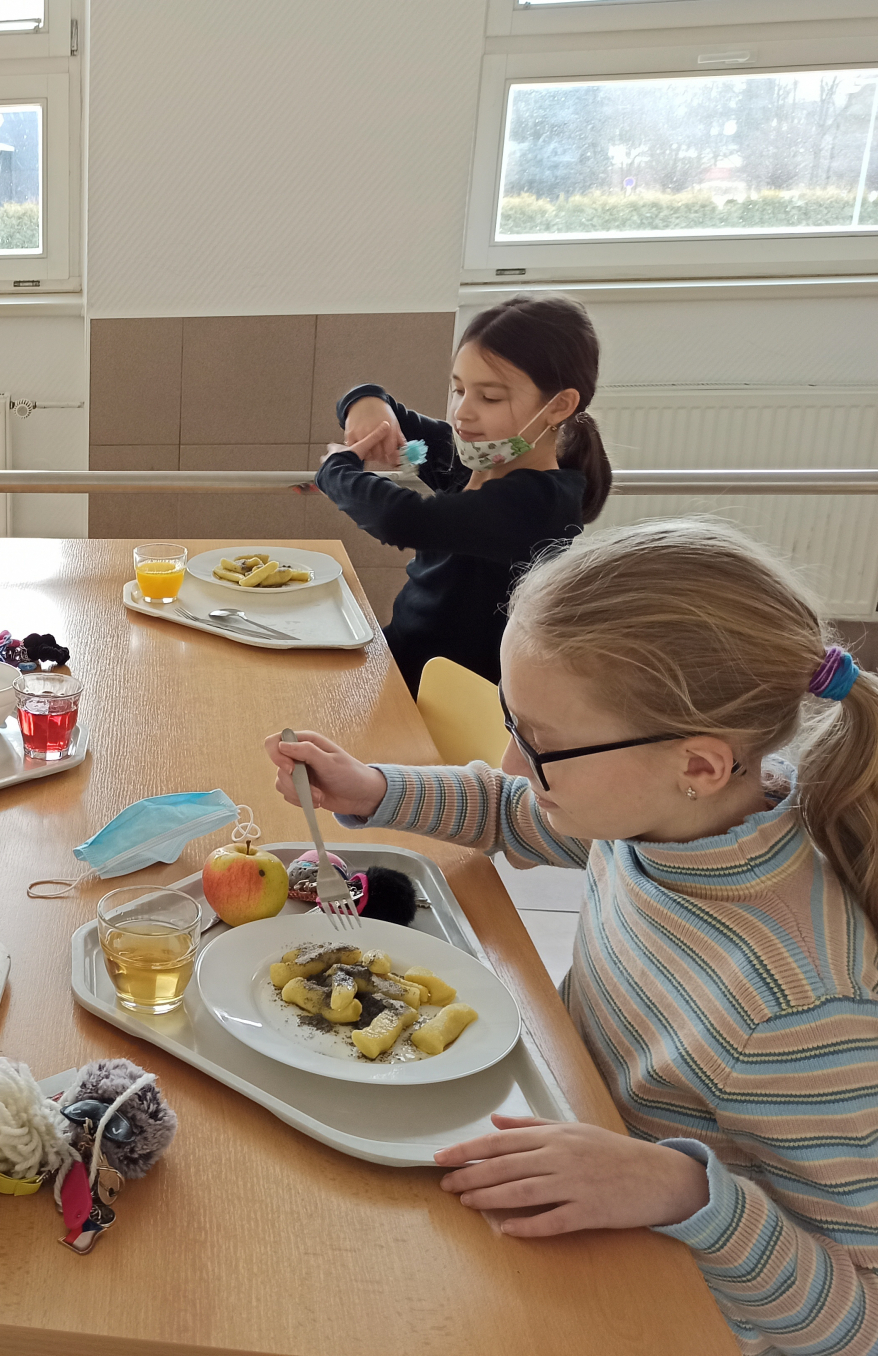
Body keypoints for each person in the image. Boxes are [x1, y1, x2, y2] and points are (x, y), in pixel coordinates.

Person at [265, 518, 878, 1356]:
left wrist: (688, 1191)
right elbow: (520, 811)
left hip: (663, 1296)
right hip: (567, 1134)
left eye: (544, 746)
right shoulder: (669, 817)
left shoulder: (804, 1008)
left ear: (699, 765)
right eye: (515, 723)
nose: (514, 764)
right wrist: (375, 788)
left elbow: (859, 1315)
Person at [315, 294, 611, 692]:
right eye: (458, 390)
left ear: (559, 406)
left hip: (451, 696)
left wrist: (335, 470)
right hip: (400, 662)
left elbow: (403, 520)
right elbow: (387, 412)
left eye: (489, 397)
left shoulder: (541, 502)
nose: (462, 413)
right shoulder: (477, 457)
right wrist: (366, 401)